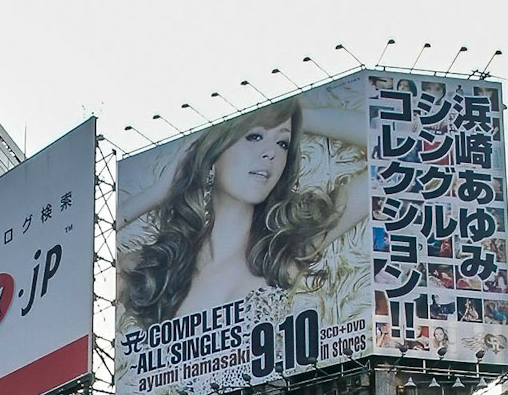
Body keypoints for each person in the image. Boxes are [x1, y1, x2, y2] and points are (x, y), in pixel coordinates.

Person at [117, 96, 360, 332]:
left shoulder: (284, 253)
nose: (270, 153)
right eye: (254, 136)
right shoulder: (152, 267)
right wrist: (157, 192)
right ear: (214, 152)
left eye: (282, 143)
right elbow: (84, 261)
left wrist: (296, 114)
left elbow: (391, 149)